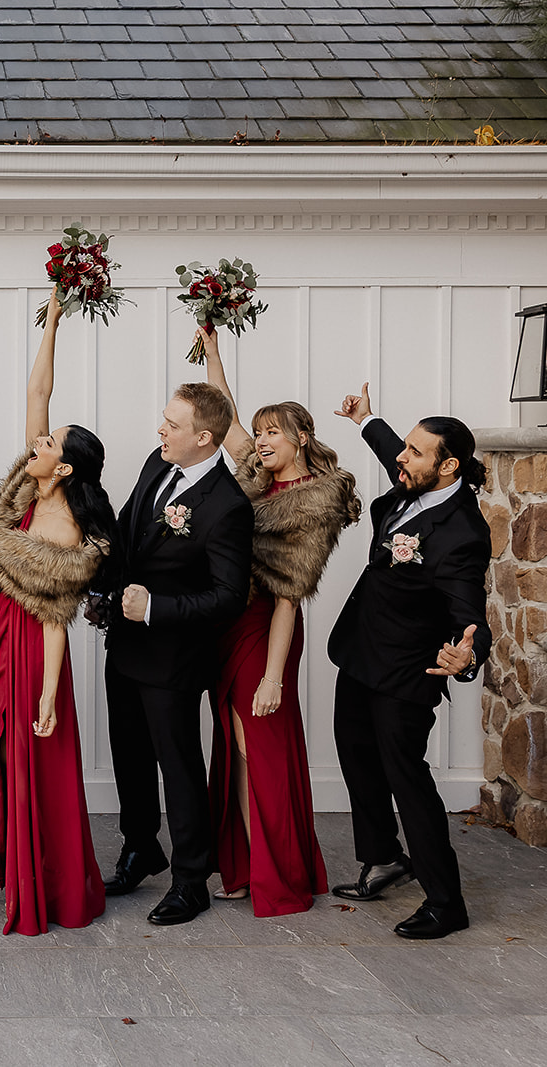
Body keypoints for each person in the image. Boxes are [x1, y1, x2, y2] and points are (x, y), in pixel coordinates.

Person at [0, 291, 114, 935]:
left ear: (64, 465)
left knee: (32, 754)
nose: (37, 443)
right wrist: (52, 319)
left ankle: (47, 882)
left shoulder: (66, 522)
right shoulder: (29, 482)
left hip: (32, 650)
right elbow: (36, 397)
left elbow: (55, 617)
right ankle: (18, 870)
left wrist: (50, 695)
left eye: (47, 444)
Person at [199, 328, 359, 917]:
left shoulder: (314, 499)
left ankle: (276, 874)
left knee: (255, 746)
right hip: (232, 624)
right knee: (238, 748)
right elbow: (229, 417)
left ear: (300, 439)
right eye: (260, 432)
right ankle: (245, 865)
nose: (261, 440)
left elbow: (290, 596)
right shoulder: (258, 476)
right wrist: (213, 351)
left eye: (273, 433)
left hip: (268, 630)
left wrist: (273, 677)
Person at [329, 384, 490, 939]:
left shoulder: (463, 534)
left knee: (407, 778)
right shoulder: (418, 480)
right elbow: (394, 451)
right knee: (356, 756)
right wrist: (366, 419)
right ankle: (382, 858)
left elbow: (468, 609)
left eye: (416, 452)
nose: (402, 456)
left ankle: (446, 902)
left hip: (405, 673)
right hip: (359, 652)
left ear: (449, 468)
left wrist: (466, 654)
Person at [103, 381, 254, 926]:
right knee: (130, 754)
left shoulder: (228, 506)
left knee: (178, 763)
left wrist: (158, 608)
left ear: (205, 437)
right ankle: (140, 846)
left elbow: (228, 597)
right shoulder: (157, 462)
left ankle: (192, 880)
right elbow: (128, 534)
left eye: (172, 425)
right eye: (163, 421)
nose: (159, 431)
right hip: (124, 642)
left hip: (172, 655)